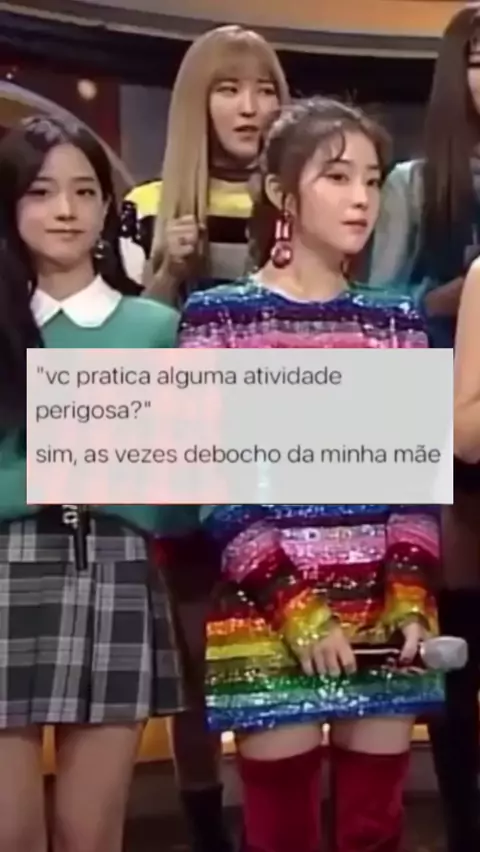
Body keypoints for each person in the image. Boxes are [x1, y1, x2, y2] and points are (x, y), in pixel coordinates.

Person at [176, 97, 443, 852]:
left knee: (374, 830)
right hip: (265, 611)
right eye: (337, 177)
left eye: (372, 179)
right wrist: (299, 612)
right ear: (281, 193)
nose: (361, 198)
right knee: (281, 834)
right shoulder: (219, 320)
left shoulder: (397, 323)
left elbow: (415, 485)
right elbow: (215, 488)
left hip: (387, 613)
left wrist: (411, 601)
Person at [0, 115, 190, 852]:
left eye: (84, 192)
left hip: (115, 576)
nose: (66, 210)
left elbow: (182, 494)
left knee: (92, 835)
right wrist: (47, 479)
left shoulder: (155, 328)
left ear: (109, 208)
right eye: (41, 192)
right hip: (7, 573)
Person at [122, 25, 289, 852]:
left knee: (281, 653)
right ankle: (204, 828)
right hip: (184, 462)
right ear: (198, 102)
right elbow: (116, 358)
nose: (250, 106)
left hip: (284, 457)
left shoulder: (302, 202)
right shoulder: (145, 207)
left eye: (264, 89)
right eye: (229, 89)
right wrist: (165, 275)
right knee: (194, 667)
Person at [366, 8, 480, 850]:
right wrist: (446, 299)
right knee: (457, 636)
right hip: (442, 430)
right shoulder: (413, 182)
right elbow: (372, 309)